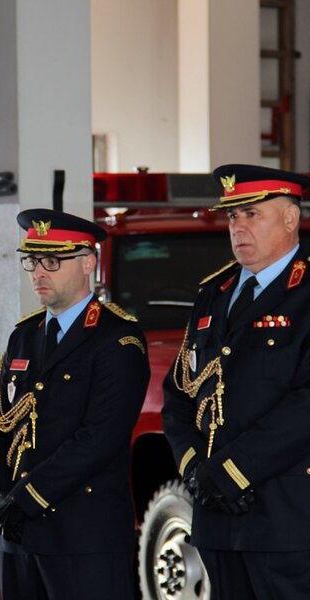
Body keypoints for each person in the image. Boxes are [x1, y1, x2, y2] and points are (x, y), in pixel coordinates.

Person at [0, 208, 150, 599]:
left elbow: (99, 438)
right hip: (18, 534)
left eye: (53, 261)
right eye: (33, 260)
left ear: (88, 263)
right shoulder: (24, 336)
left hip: (84, 537)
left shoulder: (117, 340)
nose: (39, 272)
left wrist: (24, 499)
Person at [162, 164, 310, 599]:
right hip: (217, 517)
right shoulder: (215, 294)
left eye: (252, 215)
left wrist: (233, 471)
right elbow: (180, 393)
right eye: (232, 217)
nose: (238, 227)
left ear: (289, 218)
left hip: (287, 517)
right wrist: (195, 470)